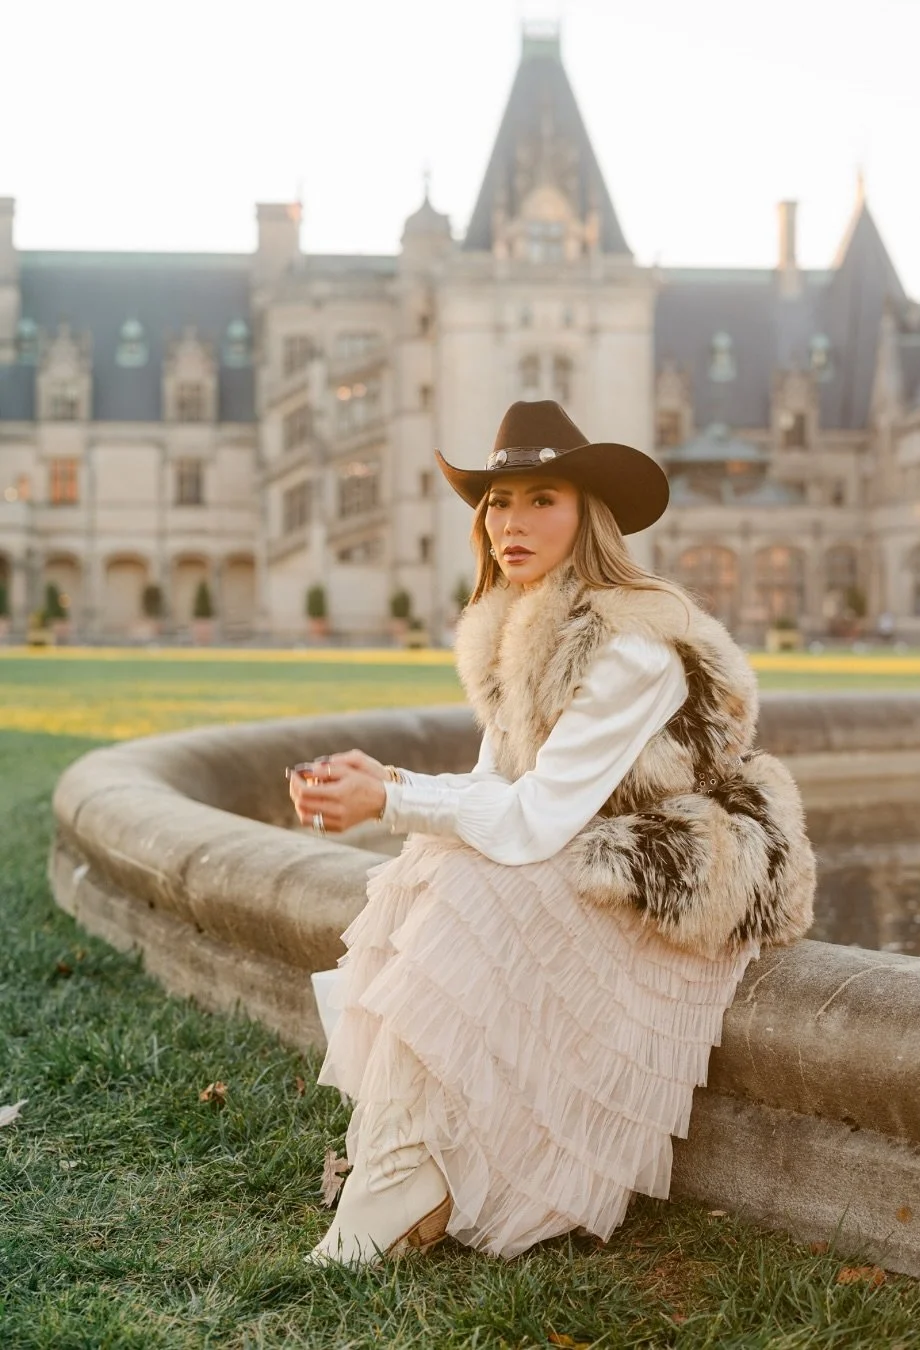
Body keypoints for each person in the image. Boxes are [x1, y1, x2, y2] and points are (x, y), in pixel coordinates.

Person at [290, 400, 816, 1266]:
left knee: (459, 873)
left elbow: (534, 820)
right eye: (499, 501)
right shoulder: (524, 622)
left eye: (542, 500)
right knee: (439, 859)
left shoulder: (630, 646)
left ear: (588, 517)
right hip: (580, 838)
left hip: (674, 866)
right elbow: (499, 789)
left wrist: (388, 798)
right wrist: (388, 783)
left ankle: (404, 1185)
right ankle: (403, 1168)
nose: (512, 522)